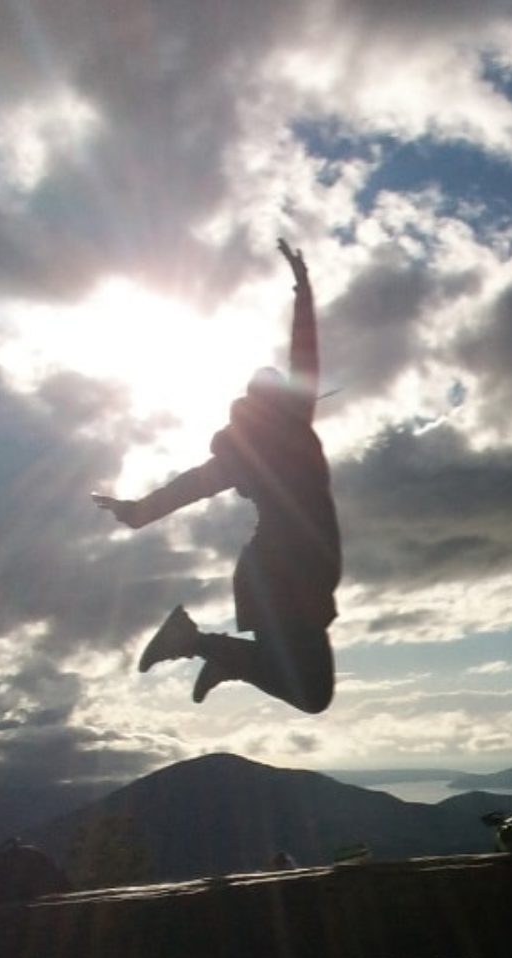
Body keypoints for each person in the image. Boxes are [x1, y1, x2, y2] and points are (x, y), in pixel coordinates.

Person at [92, 239, 340, 714]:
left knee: (313, 691)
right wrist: (303, 288)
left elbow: (190, 485)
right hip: (283, 574)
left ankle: (213, 652)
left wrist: (139, 513)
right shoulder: (285, 430)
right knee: (312, 693)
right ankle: (196, 644)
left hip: (287, 573)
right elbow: (304, 354)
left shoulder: (249, 451)